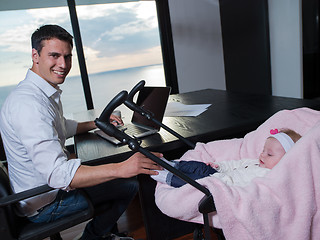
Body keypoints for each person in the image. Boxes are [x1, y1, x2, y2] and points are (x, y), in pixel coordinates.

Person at [0, 24, 162, 240]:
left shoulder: (38, 92)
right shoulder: (29, 105)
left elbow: (61, 126)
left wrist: (96, 123)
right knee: (127, 184)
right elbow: (59, 175)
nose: (63, 64)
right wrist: (122, 168)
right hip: (45, 203)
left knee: (105, 173)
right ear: (35, 55)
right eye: (54, 55)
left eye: (67, 56)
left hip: (41, 192)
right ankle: (94, 237)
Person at [152, 128, 301, 188]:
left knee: (194, 181)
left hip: (221, 185)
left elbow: (243, 187)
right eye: (263, 150)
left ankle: (166, 177)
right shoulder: (256, 163)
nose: (262, 155)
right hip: (219, 174)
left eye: (269, 154)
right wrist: (219, 166)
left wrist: (218, 179)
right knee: (199, 166)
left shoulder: (268, 177)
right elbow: (236, 164)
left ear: (286, 161)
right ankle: (172, 164)